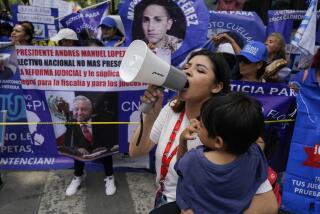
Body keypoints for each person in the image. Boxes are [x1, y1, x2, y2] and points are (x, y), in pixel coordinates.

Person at [129, 49, 278, 213]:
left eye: (200, 70)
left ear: (216, 86)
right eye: (187, 66)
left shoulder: (227, 129)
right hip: (162, 200)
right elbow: (136, 151)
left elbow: (268, 205)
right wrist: (149, 117)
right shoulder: (172, 109)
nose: (187, 72)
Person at [175, 92, 268, 213]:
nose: (197, 125)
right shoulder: (255, 154)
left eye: (201, 125)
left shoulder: (194, 159)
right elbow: (260, 143)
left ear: (218, 141)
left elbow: (179, 166)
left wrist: (182, 140)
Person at [62, 95, 117, 196]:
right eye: (76, 109)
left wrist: (104, 146)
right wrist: (77, 148)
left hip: (100, 148)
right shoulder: (70, 123)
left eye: (83, 109)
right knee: (77, 153)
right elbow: (66, 142)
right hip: (83, 150)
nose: (79, 113)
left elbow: (112, 138)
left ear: (90, 110)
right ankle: (77, 177)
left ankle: (110, 177)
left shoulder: (103, 120)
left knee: (107, 155)